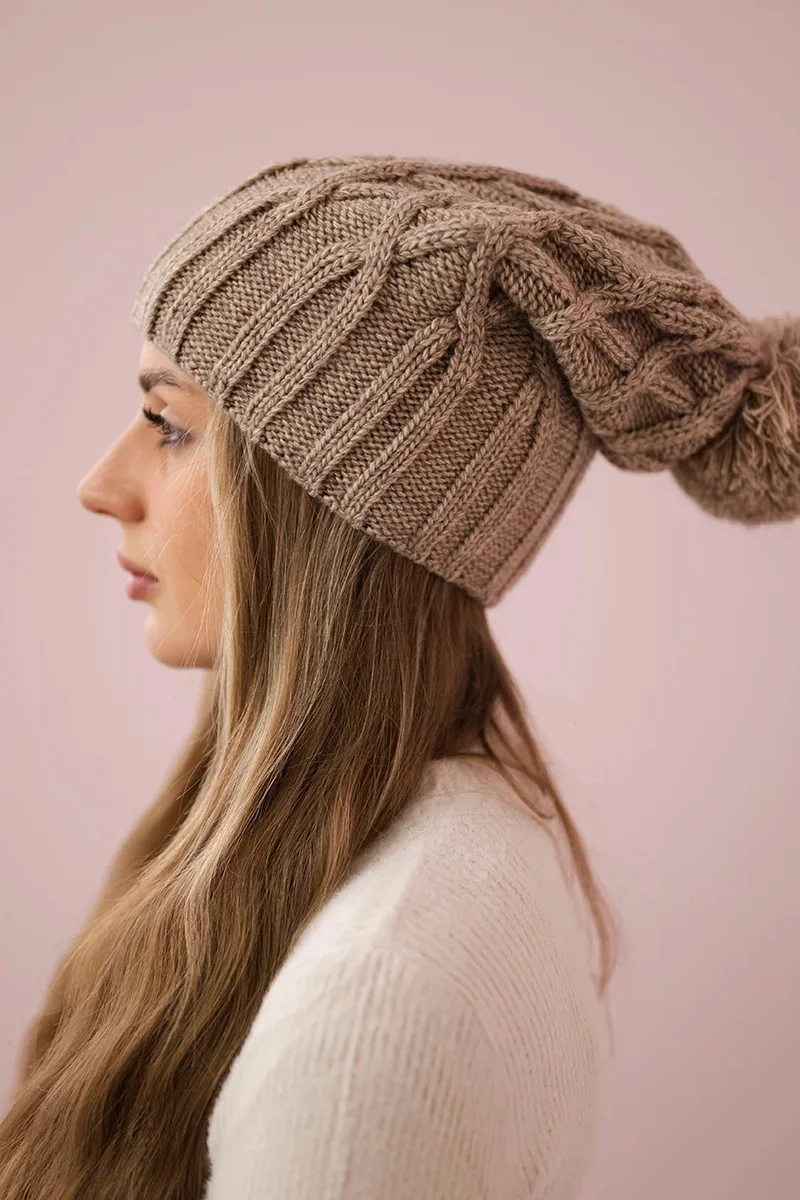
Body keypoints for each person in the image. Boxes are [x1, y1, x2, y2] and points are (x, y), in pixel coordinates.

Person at [1, 155, 797, 1200]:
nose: (101, 485)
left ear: (331, 511)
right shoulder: (406, 859)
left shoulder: (376, 1011)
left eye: (172, 428)